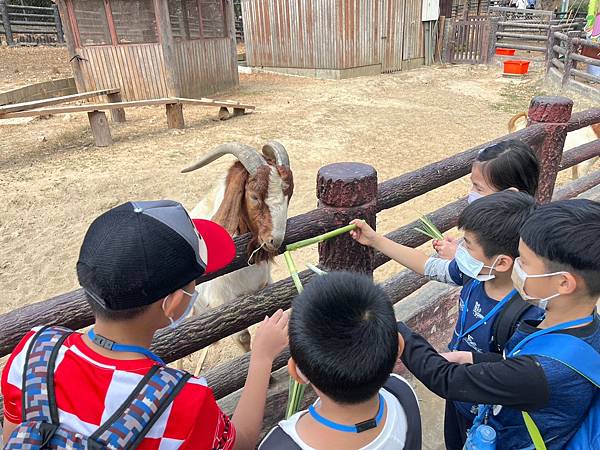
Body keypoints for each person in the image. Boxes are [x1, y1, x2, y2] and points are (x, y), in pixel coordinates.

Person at [1, 200, 288, 450]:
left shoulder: (34, 350)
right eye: (194, 283)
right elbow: (241, 443)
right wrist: (261, 358)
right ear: (174, 304)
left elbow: (14, 436)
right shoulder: (182, 401)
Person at [397, 198, 600, 449]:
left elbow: (447, 380)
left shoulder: (540, 372)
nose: (516, 266)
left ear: (563, 283)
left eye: (523, 262)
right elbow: (516, 367)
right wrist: (474, 360)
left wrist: (397, 330)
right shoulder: (584, 326)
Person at [351, 191, 543, 449]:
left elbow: (517, 369)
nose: (459, 250)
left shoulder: (528, 313)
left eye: (468, 245)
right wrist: (376, 241)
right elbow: (427, 265)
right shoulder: (474, 273)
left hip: (493, 412)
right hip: (458, 392)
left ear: (502, 263)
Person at [259, 272, 421, 450]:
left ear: (297, 372)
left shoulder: (279, 445)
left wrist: (261, 359)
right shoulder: (401, 392)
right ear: (398, 347)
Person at [434, 139, 540, 260]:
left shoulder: (509, 236)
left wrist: (458, 259)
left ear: (508, 194)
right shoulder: (501, 222)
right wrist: (464, 249)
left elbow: (492, 273)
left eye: (479, 188)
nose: (471, 193)